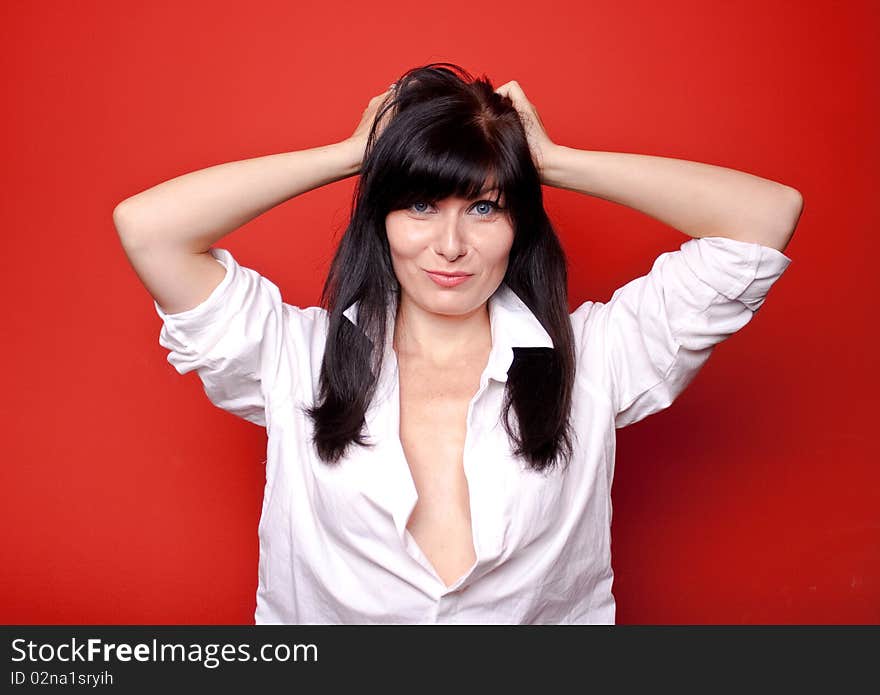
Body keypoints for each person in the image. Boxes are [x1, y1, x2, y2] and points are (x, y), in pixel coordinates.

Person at [114, 62, 801, 624]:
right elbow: (150, 228)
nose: (450, 246)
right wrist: (352, 155)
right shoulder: (297, 357)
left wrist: (554, 163)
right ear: (379, 220)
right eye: (419, 205)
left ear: (518, 225)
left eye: (484, 207)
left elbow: (765, 219)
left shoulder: (591, 359)